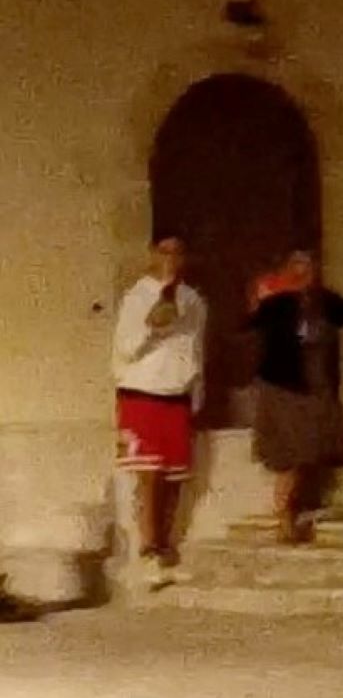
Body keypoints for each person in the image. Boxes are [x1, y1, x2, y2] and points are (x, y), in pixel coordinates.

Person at [248, 252, 343, 545]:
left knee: (308, 451)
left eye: (308, 266)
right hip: (285, 389)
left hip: (313, 387)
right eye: (296, 265)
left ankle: (292, 516)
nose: (304, 272)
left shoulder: (323, 302)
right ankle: (284, 521)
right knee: (291, 456)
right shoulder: (276, 302)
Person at [112, 234, 205, 589]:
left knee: (174, 477)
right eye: (164, 251)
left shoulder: (193, 299)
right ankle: (149, 549)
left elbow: (195, 349)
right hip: (142, 391)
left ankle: (166, 547)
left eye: (178, 252)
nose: (171, 259)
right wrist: (153, 324)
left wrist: (196, 392)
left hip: (177, 393)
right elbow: (125, 348)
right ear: (152, 255)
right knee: (149, 475)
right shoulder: (137, 297)